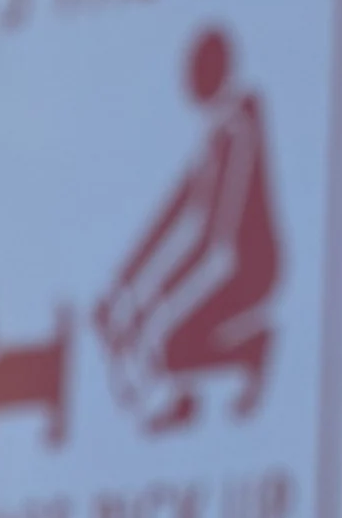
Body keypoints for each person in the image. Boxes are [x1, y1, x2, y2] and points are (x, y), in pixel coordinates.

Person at [94, 24, 282, 429]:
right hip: (221, 259)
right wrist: (128, 288)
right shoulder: (213, 135)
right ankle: (182, 400)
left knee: (166, 339)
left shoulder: (238, 133)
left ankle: (251, 350)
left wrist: (158, 312)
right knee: (158, 330)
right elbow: (178, 219)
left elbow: (221, 250)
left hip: (252, 266)